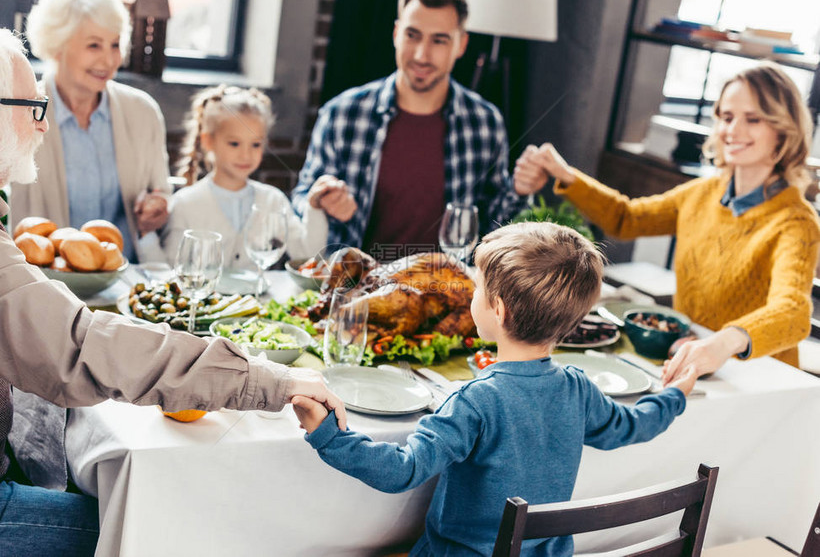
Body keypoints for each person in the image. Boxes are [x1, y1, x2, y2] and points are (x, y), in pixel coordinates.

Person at [0, 22, 346, 556]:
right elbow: (80, 347)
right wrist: (265, 379)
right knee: (173, 527)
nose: (44, 127)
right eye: (34, 108)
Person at [292, 222, 698, 556]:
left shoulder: (475, 400)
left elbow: (403, 470)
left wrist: (326, 432)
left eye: (479, 288)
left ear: (498, 310)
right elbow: (633, 425)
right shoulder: (578, 388)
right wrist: (674, 394)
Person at [514, 62, 820, 381]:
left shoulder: (795, 221)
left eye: (753, 119)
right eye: (727, 117)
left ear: (784, 130)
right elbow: (626, 219)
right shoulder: (702, 193)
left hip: (762, 378)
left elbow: (793, 311)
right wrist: (566, 176)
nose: (733, 131)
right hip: (695, 362)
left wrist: (724, 342)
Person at [290, 0, 533, 260]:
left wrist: (519, 190)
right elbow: (300, 200)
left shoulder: (485, 123)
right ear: (396, 34)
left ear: (461, 44)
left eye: (439, 40)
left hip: (445, 290)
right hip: (355, 289)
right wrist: (318, 201)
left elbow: (493, 229)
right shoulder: (342, 114)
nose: (421, 55)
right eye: (412, 35)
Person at [9, 0, 170, 263]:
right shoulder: (19, 113)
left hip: (126, 279)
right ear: (57, 44)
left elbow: (161, 192)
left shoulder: (143, 112)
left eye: (115, 44)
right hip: (44, 281)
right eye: (94, 45)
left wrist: (157, 209)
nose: (108, 60)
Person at [161, 85, 328, 269]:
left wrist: (315, 208)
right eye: (234, 144)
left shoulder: (273, 200)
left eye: (255, 144)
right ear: (208, 141)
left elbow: (308, 255)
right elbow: (171, 267)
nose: (246, 155)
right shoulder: (185, 204)